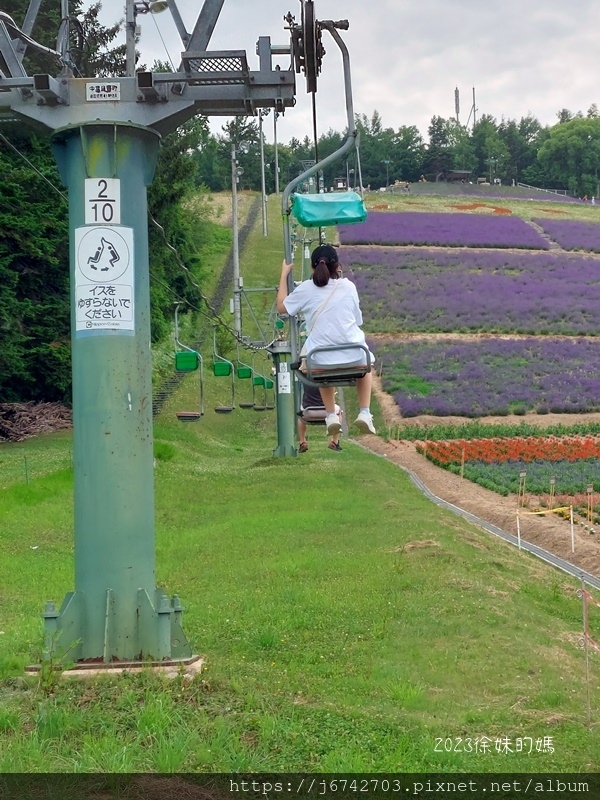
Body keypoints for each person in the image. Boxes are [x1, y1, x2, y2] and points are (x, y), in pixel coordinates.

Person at [277, 243, 376, 436]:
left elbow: (282, 307)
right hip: (355, 356)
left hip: (319, 359)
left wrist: (283, 275)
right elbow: (358, 320)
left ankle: (330, 415)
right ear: (337, 266)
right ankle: (365, 412)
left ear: (314, 267)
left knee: (322, 369)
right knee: (368, 365)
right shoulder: (348, 287)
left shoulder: (305, 289)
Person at [298, 385, 342, 452]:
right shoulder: (327, 382)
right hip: (326, 412)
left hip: (308, 412)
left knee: (300, 416)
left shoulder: (306, 380)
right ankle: (335, 442)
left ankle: (302, 442)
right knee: (339, 412)